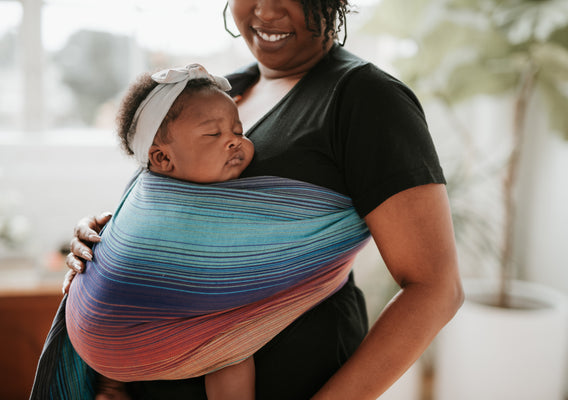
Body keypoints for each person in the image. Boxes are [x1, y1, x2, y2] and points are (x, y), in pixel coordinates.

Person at [63, 1, 464, 399]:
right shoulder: (219, 90)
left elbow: (435, 289)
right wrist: (106, 238)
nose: (267, 12)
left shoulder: (367, 100)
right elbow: (169, 200)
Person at [83, 63, 255, 400]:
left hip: (194, 316)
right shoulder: (148, 198)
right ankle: (111, 384)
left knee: (232, 349)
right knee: (231, 352)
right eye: (214, 134)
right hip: (133, 316)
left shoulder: (242, 190)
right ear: (162, 159)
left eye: (238, 130)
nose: (235, 141)